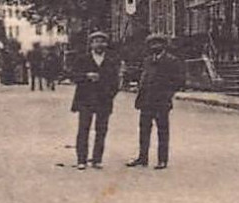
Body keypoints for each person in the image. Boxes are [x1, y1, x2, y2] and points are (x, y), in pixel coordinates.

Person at [127, 34, 186, 169]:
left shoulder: (172, 61)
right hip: (146, 101)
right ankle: (143, 158)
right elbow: (144, 78)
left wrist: (167, 94)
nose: (155, 47)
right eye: (152, 44)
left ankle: (162, 160)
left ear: (164, 45)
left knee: (162, 131)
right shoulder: (147, 60)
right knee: (144, 130)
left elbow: (178, 81)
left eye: (158, 44)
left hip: (162, 101)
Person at [68, 29, 120, 169]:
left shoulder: (111, 61)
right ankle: (81, 160)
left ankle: (97, 159)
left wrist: (109, 94)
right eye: (96, 42)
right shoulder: (82, 59)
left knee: (101, 130)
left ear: (106, 44)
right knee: (83, 129)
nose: (99, 44)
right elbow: (73, 76)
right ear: (91, 44)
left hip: (103, 100)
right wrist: (86, 76)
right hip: (85, 100)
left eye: (102, 42)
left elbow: (116, 82)